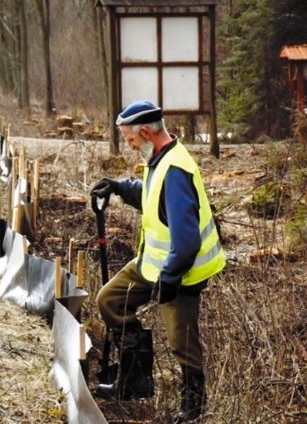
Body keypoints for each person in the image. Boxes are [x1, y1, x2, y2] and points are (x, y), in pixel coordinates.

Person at [90, 100, 226, 423]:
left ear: (147, 133)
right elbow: (152, 197)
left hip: (182, 272)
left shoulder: (176, 171)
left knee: (181, 342)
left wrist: (169, 278)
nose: (129, 145)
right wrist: (121, 188)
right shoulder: (159, 159)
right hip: (153, 265)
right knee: (109, 300)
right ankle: (135, 379)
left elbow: (188, 241)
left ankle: (193, 407)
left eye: (130, 139)